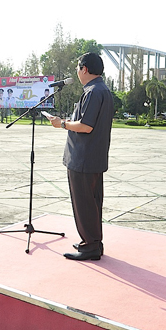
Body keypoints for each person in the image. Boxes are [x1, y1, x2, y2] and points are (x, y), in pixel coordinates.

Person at [49, 52, 113, 261]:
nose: (77, 72)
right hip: (93, 157)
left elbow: (86, 125)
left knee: (84, 203)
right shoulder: (101, 90)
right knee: (92, 203)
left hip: (83, 158)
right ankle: (93, 241)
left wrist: (62, 124)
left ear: (84, 69)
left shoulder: (93, 92)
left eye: (78, 68)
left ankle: (90, 246)